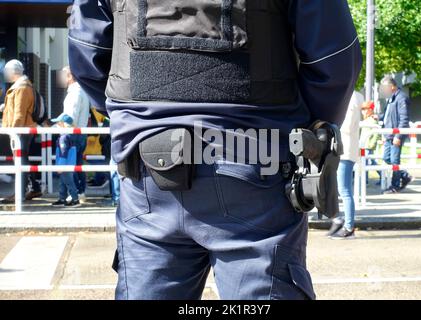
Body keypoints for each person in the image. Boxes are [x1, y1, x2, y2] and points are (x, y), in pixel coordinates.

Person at [69, 0, 362, 300]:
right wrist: (304, 130)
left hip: (147, 170)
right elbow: (335, 61)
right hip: (256, 164)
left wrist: (139, 121)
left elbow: (86, 54)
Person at [1, 59, 42, 204]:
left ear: (13, 72)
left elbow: (19, 112)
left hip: (21, 131)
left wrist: (13, 132)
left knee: (21, 161)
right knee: (23, 160)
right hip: (22, 130)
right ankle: (33, 187)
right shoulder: (21, 86)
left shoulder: (21, 88)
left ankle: (20, 193)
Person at [328, 91, 364, 239]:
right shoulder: (355, 96)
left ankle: (348, 227)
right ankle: (340, 221)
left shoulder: (350, 97)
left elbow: (347, 125)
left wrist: (332, 124)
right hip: (344, 149)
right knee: (339, 188)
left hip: (345, 150)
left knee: (344, 190)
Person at [58, 66, 90, 202]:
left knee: (69, 166)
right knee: (76, 164)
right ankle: (76, 193)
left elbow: (71, 117)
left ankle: (76, 193)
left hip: (72, 133)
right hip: (79, 133)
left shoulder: (75, 92)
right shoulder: (81, 91)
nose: (61, 78)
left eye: (63, 75)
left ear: (70, 76)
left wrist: (60, 123)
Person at [379, 76, 413, 193]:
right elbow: (388, 115)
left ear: (392, 86)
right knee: (386, 158)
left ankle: (395, 186)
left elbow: (404, 119)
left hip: (396, 135)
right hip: (389, 134)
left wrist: (398, 136)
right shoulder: (392, 98)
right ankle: (404, 175)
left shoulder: (401, 98)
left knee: (394, 161)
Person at [51, 114, 80, 207]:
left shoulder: (63, 138)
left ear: (64, 125)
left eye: (58, 123)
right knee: (63, 182)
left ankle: (75, 199)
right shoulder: (70, 136)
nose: (56, 125)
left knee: (68, 182)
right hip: (69, 164)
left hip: (65, 165)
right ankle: (62, 198)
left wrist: (61, 166)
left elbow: (64, 153)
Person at [360, 101, 382, 184]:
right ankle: (365, 179)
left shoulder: (372, 120)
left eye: (365, 109)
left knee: (370, 162)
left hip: (368, 145)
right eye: (362, 109)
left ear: (370, 110)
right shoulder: (366, 119)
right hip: (364, 145)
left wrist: (372, 144)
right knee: (366, 162)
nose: (363, 111)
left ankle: (381, 175)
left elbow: (376, 134)